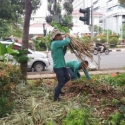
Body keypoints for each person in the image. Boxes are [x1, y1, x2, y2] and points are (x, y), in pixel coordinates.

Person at [51, 29, 70, 101]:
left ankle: (57, 89)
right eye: (58, 35)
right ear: (55, 37)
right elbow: (67, 41)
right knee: (61, 82)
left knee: (67, 78)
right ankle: (56, 98)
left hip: (62, 66)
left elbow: (63, 53)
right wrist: (67, 36)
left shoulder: (58, 44)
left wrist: (65, 46)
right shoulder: (55, 43)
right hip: (58, 67)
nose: (60, 36)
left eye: (60, 35)